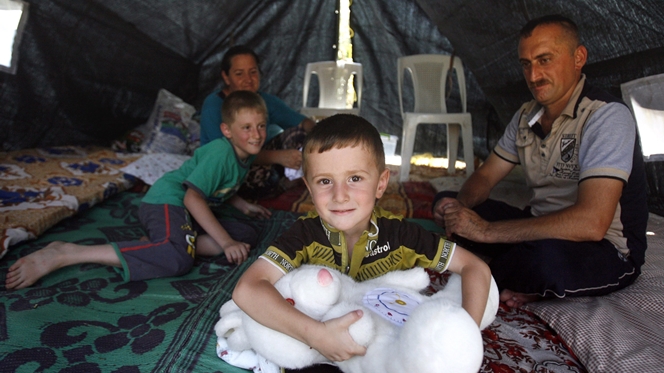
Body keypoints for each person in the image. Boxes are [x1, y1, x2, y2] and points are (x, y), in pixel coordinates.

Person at [232, 114, 492, 372]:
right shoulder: (304, 234)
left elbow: (475, 267)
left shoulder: (401, 236)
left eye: (355, 178)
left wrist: (463, 336)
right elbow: (247, 289)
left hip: (383, 348)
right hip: (322, 344)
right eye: (325, 181)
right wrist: (316, 335)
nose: (340, 195)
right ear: (309, 189)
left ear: (380, 184)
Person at [433, 14, 649, 308]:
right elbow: (485, 178)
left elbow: (592, 223)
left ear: (579, 57)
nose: (533, 76)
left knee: (543, 260)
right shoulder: (526, 115)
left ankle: (506, 272)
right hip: (538, 228)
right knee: (445, 202)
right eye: (526, 64)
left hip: (604, 248)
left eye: (545, 60)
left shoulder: (606, 116)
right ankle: (519, 270)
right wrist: (462, 209)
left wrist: (484, 231)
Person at [6, 91, 272, 290]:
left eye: (260, 126)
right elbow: (193, 196)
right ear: (227, 130)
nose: (256, 134)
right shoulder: (221, 153)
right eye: (246, 128)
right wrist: (225, 242)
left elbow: (220, 186)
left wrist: (243, 206)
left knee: (246, 233)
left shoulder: (243, 154)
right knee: (178, 259)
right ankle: (66, 253)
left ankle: (169, 244)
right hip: (168, 202)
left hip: (189, 212)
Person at [200, 45, 317, 199]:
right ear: (226, 77)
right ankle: (278, 186)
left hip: (263, 158)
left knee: (298, 134)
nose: (248, 80)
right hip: (231, 168)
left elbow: (303, 123)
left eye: (253, 72)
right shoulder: (214, 106)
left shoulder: (264, 100)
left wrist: (328, 139)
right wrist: (278, 157)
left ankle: (287, 180)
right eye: (239, 74)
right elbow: (227, 154)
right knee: (258, 176)